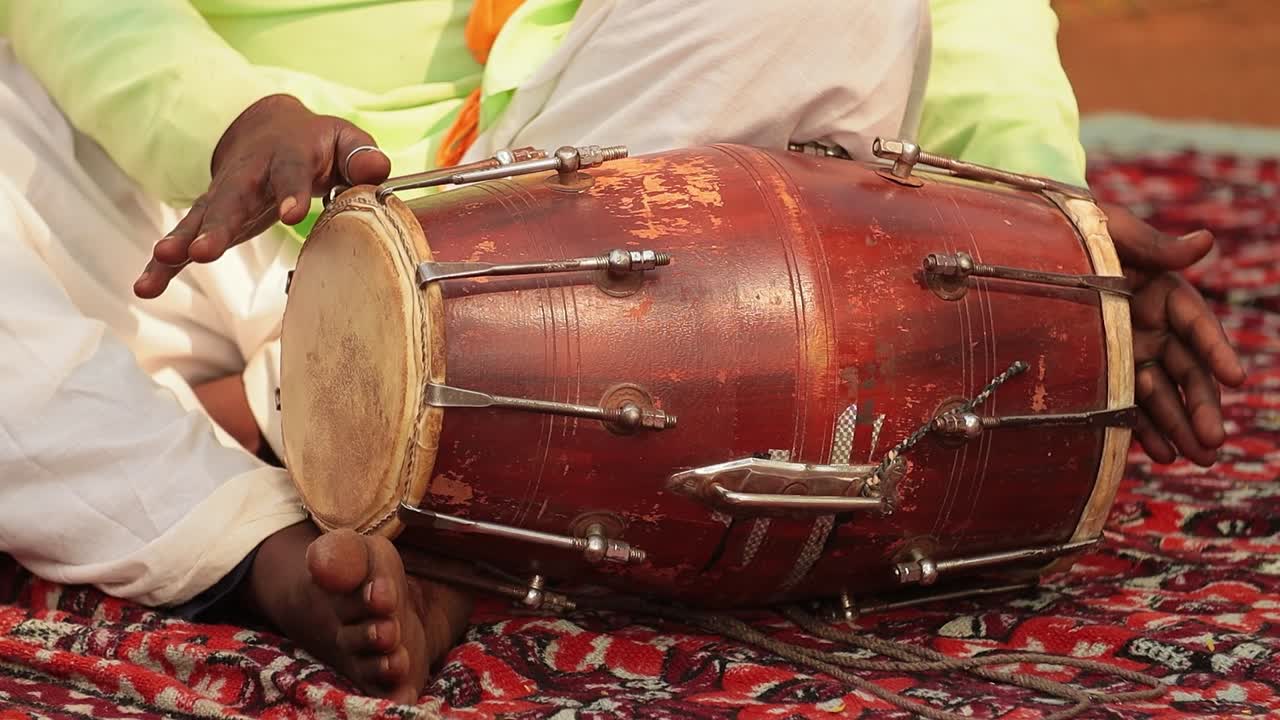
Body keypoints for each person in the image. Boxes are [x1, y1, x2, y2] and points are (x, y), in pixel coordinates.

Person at [0, 0, 1246, 705]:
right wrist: (232, 121)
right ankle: (257, 541)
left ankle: (320, 421)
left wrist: (1041, 237)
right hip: (200, 196)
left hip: (566, 206)